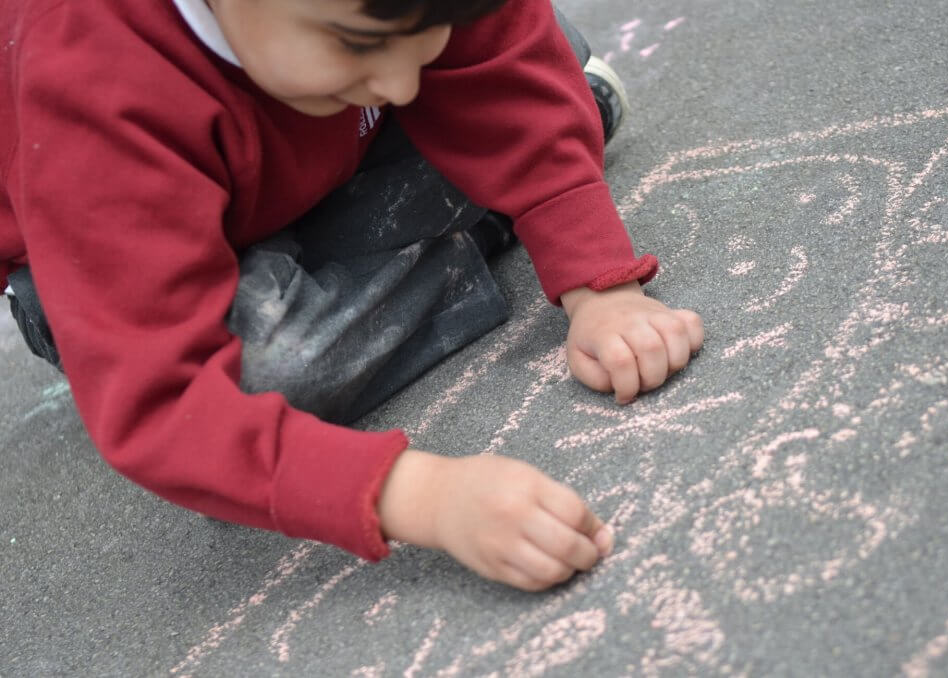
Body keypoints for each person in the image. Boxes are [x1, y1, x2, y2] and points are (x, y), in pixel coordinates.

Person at [0, 0, 703, 591]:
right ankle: (490, 206)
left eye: (421, 46)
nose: (399, 82)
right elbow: (165, 401)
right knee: (267, 374)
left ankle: (504, 168)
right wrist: (427, 498)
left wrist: (600, 284)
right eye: (358, 42)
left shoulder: (362, 42)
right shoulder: (93, 80)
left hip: (327, 153)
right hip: (113, 258)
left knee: (498, 76)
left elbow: (493, 48)